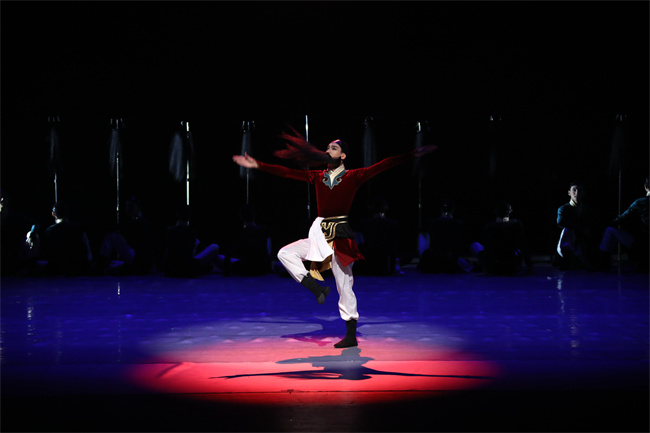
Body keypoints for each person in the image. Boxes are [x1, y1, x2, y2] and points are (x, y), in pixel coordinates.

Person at [233, 128, 436, 348]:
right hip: (319, 233)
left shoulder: (353, 176)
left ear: (343, 155)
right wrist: (259, 165)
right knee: (285, 253)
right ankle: (316, 287)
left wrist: (412, 154)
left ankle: (351, 334)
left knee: (345, 284)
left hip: (340, 234)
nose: (328, 150)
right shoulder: (317, 177)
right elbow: (288, 173)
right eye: (327, 148)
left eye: (333, 148)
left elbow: (382, 165)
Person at [553, 181, 607, 270]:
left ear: (583, 193)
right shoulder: (563, 209)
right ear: (569, 193)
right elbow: (560, 222)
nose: (577, 192)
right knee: (568, 230)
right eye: (574, 190)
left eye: (579, 190)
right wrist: (580, 227)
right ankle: (568, 260)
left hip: (584, 240)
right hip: (570, 241)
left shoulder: (588, 210)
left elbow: (596, 224)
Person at [599, 178, 649, 271]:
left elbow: (623, 218)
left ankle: (603, 264)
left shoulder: (640, 202)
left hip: (643, 244)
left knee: (610, 230)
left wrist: (607, 225)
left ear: (646, 187)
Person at [98, 196, 156, 275]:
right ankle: (103, 264)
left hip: (140, 259)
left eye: (131, 206)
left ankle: (100, 264)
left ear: (138, 207)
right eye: (127, 206)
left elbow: (122, 227)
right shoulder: (134, 222)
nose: (128, 209)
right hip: (138, 258)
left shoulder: (141, 221)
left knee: (112, 236)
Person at [472, 201, 533, 275]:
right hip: (512, 266)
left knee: (475, 245)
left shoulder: (489, 227)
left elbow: (488, 248)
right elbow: (523, 245)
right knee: (518, 250)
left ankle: (482, 266)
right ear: (510, 211)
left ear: (495, 211)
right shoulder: (516, 224)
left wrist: (486, 268)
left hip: (494, 266)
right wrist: (529, 266)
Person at [161, 204, 221, 277]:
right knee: (214, 247)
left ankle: (227, 265)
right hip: (187, 268)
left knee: (214, 257)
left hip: (171, 268)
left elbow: (168, 251)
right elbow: (189, 254)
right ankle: (230, 265)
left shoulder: (169, 230)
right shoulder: (191, 231)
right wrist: (195, 245)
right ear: (189, 216)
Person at [418, 198, 472, 273]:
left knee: (422, 236)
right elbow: (458, 244)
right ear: (453, 209)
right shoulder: (458, 223)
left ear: (440, 209)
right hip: (450, 261)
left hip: (435, 260)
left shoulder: (432, 223)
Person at [39, 202, 93, 276]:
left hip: (57, 269)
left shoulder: (49, 231)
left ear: (53, 214)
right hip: (77, 268)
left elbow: (46, 252)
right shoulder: (79, 229)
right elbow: (87, 252)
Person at [354, 195, 402, 276]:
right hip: (385, 264)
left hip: (367, 264)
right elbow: (394, 246)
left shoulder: (364, 224)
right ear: (386, 208)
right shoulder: (392, 224)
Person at [223, 204, 273, 276]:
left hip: (246, 268)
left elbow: (229, 252)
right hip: (263, 267)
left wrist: (226, 271)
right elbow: (268, 251)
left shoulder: (240, 233)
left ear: (241, 216)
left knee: (217, 257)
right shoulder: (265, 230)